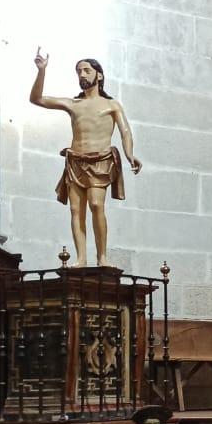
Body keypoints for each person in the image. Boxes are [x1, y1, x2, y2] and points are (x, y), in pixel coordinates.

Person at [29, 52, 142, 267]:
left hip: (101, 160)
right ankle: (81, 258)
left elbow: (126, 131)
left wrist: (129, 154)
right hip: (76, 161)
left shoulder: (112, 105)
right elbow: (37, 99)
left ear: (99, 75)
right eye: (79, 71)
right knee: (76, 210)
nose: (82, 74)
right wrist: (42, 71)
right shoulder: (73, 104)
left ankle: (102, 258)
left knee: (96, 205)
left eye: (87, 70)